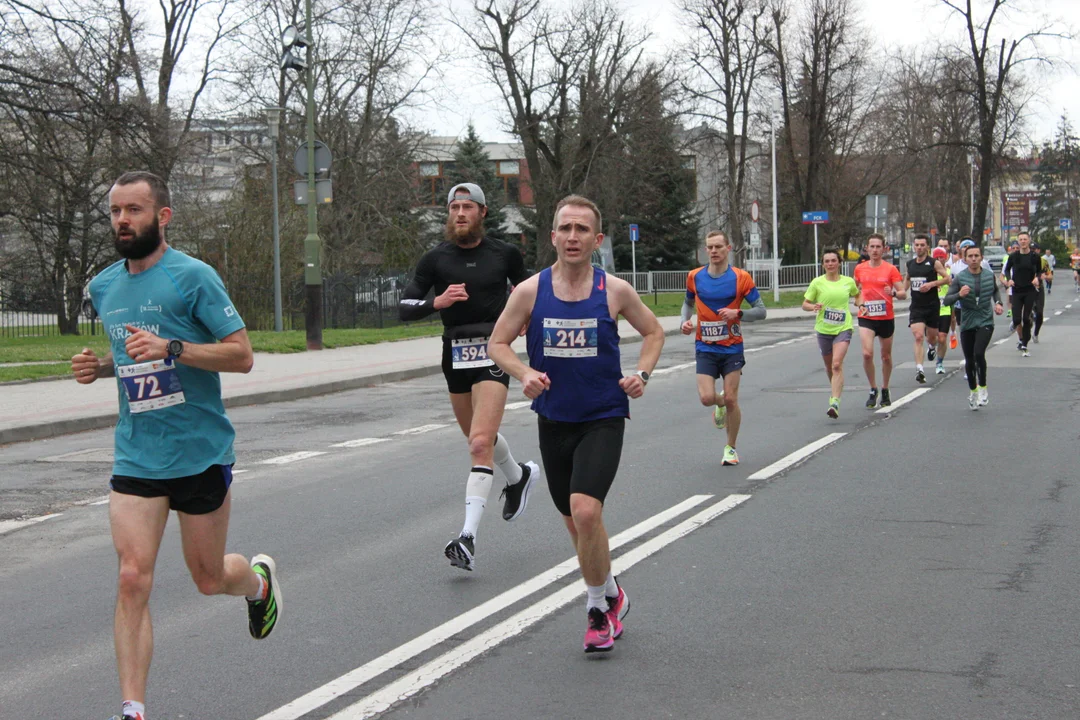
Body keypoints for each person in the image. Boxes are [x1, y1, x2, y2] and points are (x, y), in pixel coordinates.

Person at [71, 172, 279, 720]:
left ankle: (258, 586)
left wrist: (174, 346)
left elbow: (241, 355)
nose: (122, 221)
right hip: (137, 453)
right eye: (115, 211)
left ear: (162, 217)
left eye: (134, 210)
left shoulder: (194, 278)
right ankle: (133, 708)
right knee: (132, 575)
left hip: (200, 451)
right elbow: (132, 356)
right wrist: (103, 367)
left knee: (209, 579)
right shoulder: (104, 287)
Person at [487, 194, 664, 653]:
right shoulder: (530, 291)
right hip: (554, 418)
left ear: (597, 239)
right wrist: (524, 373)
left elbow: (654, 331)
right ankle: (611, 590)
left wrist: (641, 374)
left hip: (603, 415)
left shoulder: (615, 291)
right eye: (565, 228)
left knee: (587, 511)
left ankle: (596, 611)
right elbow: (498, 344)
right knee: (577, 524)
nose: (572, 237)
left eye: (582, 229)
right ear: (552, 237)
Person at [398, 182, 539, 572]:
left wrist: (525, 317)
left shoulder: (504, 253)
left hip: (495, 350)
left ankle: (467, 537)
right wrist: (436, 302)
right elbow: (405, 306)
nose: (460, 213)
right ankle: (518, 475)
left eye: (467, 207)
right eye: (454, 207)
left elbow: (527, 290)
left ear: (482, 213)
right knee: (480, 437)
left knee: (479, 443)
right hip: (455, 354)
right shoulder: (435, 259)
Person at [680, 230, 767, 466]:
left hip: (732, 348)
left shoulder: (741, 278)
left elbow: (761, 311)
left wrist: (737, 313)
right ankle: (718, 405)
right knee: (707, 398)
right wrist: (684, 322)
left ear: (728, 249)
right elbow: (687, 304)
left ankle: (731, 448)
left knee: (731, 398)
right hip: (705, 346)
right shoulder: (695, 277)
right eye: (710, 247)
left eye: (718, 247)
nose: (714, 251)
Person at [944, 244, 1004, 410]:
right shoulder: (960, 278)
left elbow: (995, 291)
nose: (974, 259)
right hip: (967, 321)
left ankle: (983, 387)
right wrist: (959, 294)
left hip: (985, 320)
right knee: (969, 359)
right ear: (965, 258)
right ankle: (973, 391)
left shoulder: (988, 275)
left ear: (981, 257)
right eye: (970, 256)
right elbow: (947, 300)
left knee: (979, 353)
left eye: (976, 256)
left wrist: (998, 303)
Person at [802, 247, 859, 418]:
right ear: (823, 264)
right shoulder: (817, 283)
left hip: (843, 328)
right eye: (827, 261)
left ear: (839, 263)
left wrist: (860, 304)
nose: (830, 264)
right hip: (823, 329)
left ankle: (834, 401)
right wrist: (813, 306)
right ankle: (836, 387)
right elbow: (805, 304)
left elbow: (858, 294)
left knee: (836, 364)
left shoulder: (848, 282)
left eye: (833, 260)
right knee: (829, 367)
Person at [853, 234, 907, 408]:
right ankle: (872, 388)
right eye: (872, 247)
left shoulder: (890, 269)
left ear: (884, 249)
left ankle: (885, 388)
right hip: (867, 316)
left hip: (885, 317)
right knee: (867, 353)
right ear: (867, 249)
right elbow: (855, 291)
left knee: (885, 356)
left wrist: (892, 293)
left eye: (878, 247)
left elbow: (903, 293)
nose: (875, 250)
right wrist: (859, 303)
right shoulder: (859, 269)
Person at [904, 234, 950, 383]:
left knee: (932, 337)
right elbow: (905, 284)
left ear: (927, 247)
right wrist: (897, 293)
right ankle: (919, 369)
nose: (919, 247)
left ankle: (931, 347)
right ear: (913, 246)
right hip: (917, 307)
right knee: (918, 336)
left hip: (932, 306)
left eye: (922, 245)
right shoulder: (910, 264)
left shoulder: (934, 263)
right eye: (916, 245)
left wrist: (931, 284)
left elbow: (947, 279)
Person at [1000, 232, 1040, 357]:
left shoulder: (1034, 256)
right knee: (1017, 319)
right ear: (1018, 241)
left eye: (1025, 239)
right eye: (1021, 239)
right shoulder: (1014, 256)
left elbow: (1039, 270)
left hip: (1029, 290)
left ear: (1029, 241)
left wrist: (1037, 278)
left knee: (1026, 319)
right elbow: (1006, 269)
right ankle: (1021, 335)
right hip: (1016, 290)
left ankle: (1024, 343)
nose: (1023, 241)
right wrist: (1009, 279)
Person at [931, 246, 952, 374]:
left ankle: (939, 362)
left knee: (942, 338)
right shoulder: (929, 273)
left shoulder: (948, 272)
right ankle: (931, 347)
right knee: (933, 338)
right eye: (936, 257)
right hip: (931, 310)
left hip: (945, 308)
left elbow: (953, 285)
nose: (939, 259)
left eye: (941, 257)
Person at [1033, 244, 1050, 342]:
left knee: (1039, 313)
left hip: (1039, 289)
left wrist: (1045, 277)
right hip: (1027, 289)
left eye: (1035, 249)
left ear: (1039, 250)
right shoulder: (1025, 259)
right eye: (1031, 249)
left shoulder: (1043, 261)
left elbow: (1050, 275)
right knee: (1027, 314)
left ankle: (1035, 333)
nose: (1033, 251)